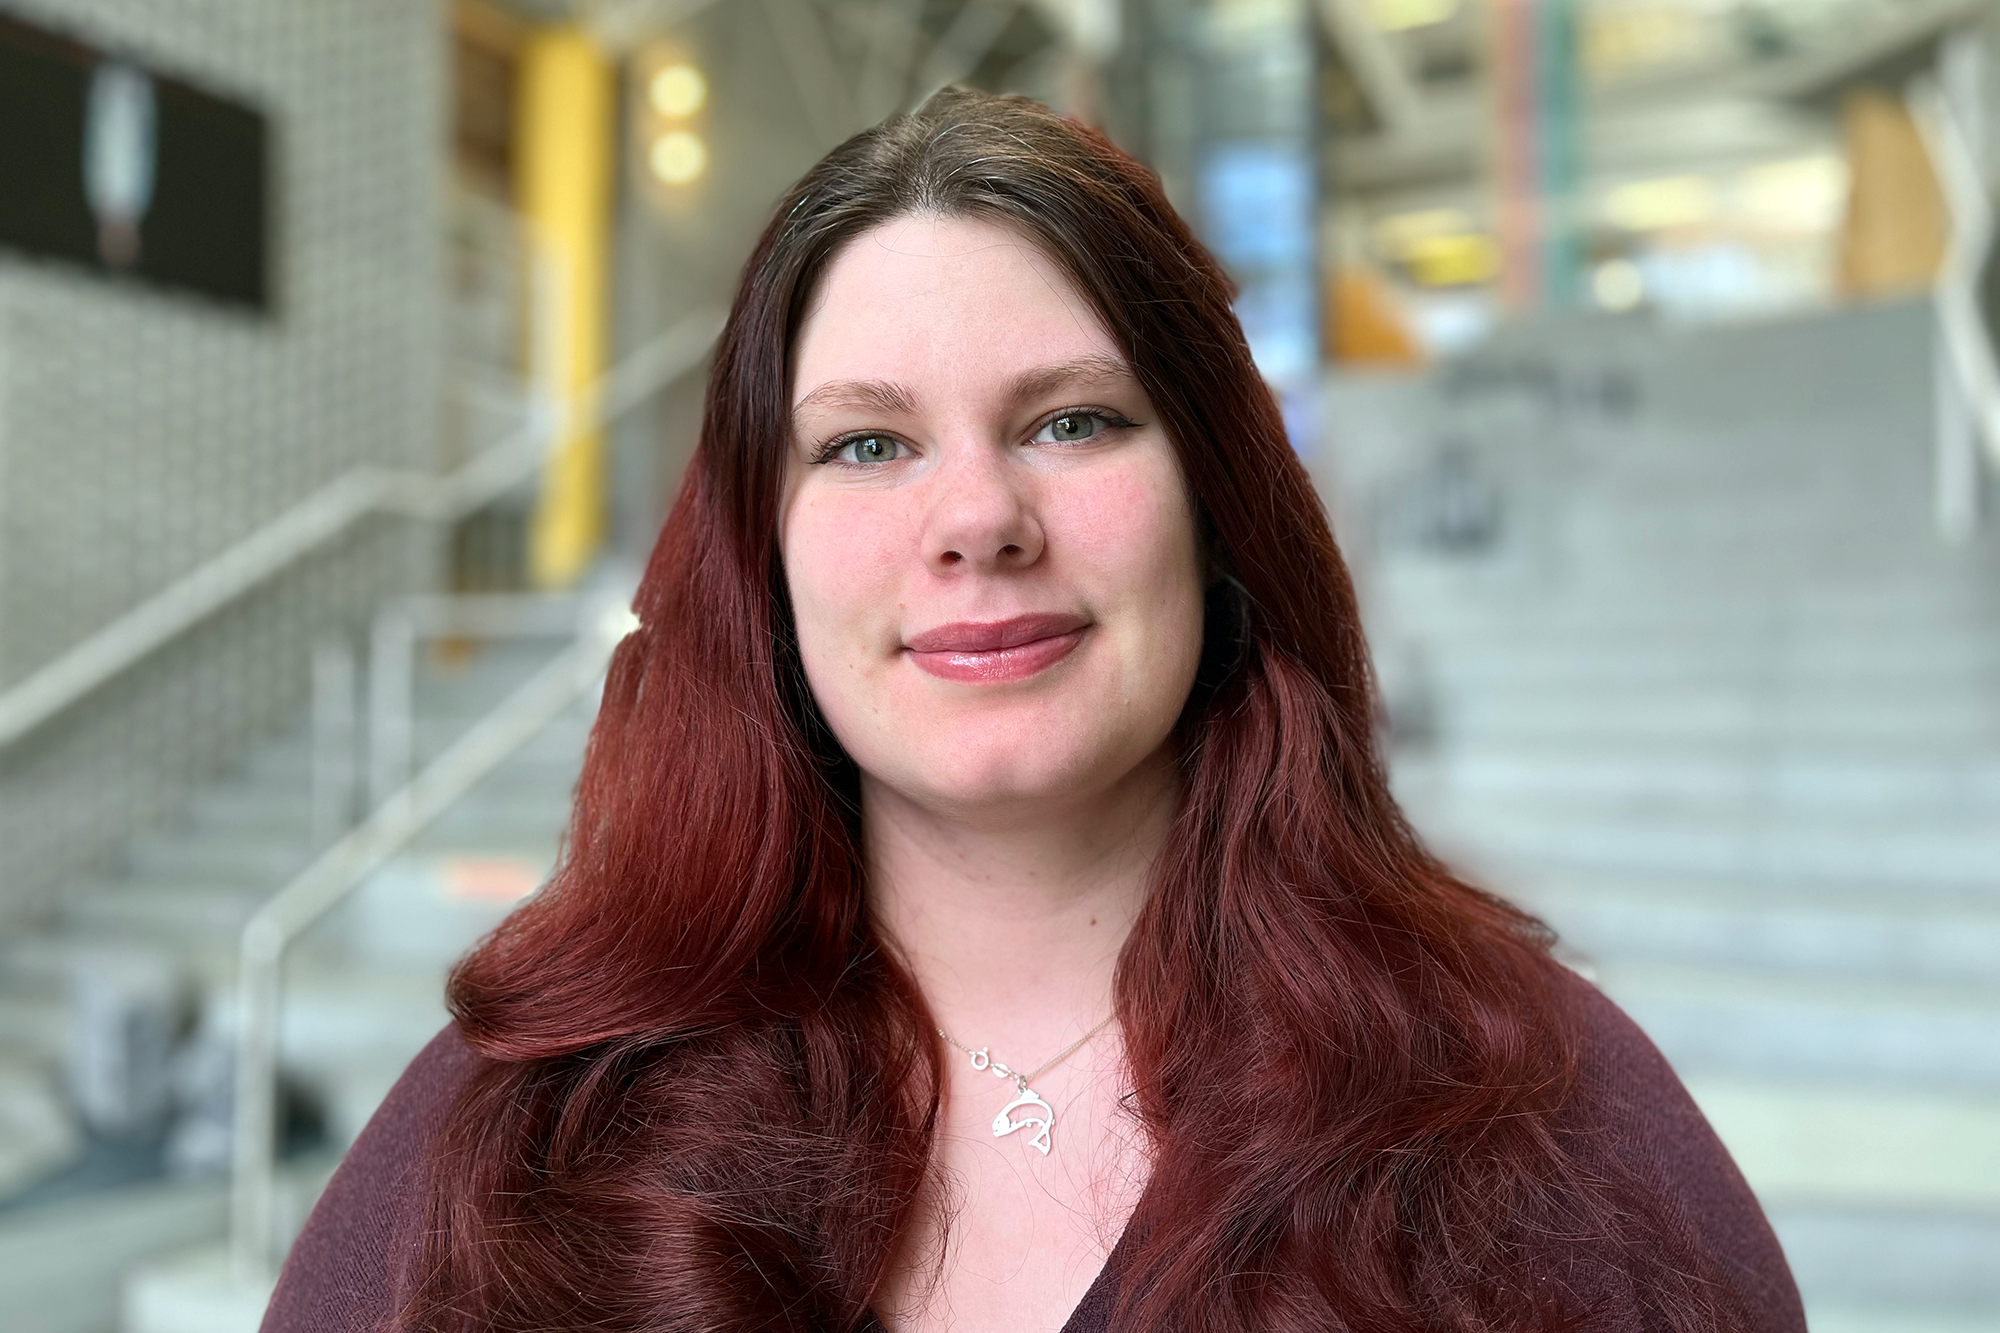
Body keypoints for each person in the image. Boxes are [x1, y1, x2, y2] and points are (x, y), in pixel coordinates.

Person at [262, 88, 1804, 1333]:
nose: (979, 520)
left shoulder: (1545, 1125)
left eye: (1072, 421)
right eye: (867, 446)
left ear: (1214, 507)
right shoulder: (527, 1127)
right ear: (762, 557)